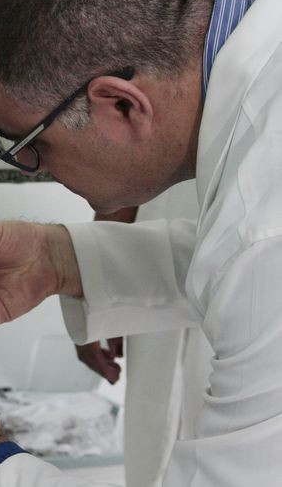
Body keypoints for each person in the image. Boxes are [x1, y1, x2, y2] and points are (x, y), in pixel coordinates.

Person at [0, 0, 282, 485]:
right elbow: (231, 262)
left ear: (120, 105)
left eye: (28, 144)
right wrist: (60, 258)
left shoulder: (266, 232)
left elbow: (253, 258)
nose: (30, 170)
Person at [62, 180, 214, 487]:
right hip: (156, 240)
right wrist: (96, 290)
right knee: (154, 429)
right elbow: (130, 159)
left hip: (256, 273)